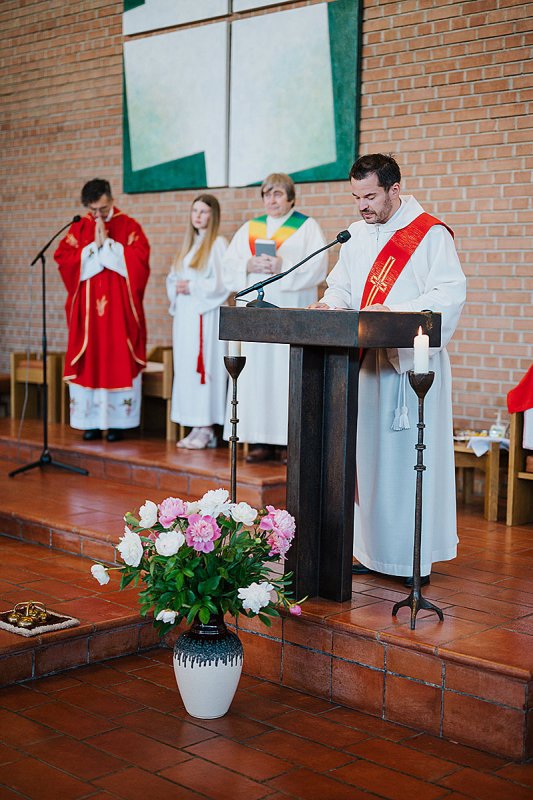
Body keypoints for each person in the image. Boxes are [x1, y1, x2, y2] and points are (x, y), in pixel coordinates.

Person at [310, 153, 466, 585]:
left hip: (409, 369)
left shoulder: (429, 234)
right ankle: (369, 551)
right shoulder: (356, 235)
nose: (362, 206)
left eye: (370, 196)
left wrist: (391, 313)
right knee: (368, 462)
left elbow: (448, 295)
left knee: (406, 462)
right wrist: (328, 304)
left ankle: (410, 558)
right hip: (365, 364)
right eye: (356, 197)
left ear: (394, 189)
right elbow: (342, 287)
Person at [222, 173, 328, 462]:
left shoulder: (306, 227)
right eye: (267, 194)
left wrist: (284, 264)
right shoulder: (250, 228)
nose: (272, 199)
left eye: (278, 194)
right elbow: (228, 266)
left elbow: (318, 267)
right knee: (256, 372)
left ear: (291, 198)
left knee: (285, 372)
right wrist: (248, 264)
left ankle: (287, 441)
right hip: (256, 315)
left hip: (288, 310)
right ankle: (259, 439)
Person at [55, 178, 150, 441]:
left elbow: (140, 262)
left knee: (117, 356)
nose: (98, 215)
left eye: (103, 209)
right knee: (90, 360)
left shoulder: (129, 226)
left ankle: (118, 424)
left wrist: (109, 246)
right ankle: (92, 423)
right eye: (93, 210)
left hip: (119, 313)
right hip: (88, 316)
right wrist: (92, 249)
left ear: (111, 200)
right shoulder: (78, 227)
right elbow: (63, 260)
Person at [166, 194, 229, 449]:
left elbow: (222, 283)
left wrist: (191, 286)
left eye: (203, 212)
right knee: (187, 369)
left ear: (213, 215)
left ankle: (207, 427)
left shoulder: (218, 244)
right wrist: (177, 285)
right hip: (186, 318)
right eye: (195, 211)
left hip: (206, 316)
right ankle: (194, 425)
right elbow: (173, 278)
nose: (198, 216)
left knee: (204, 368)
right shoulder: (188, 246)